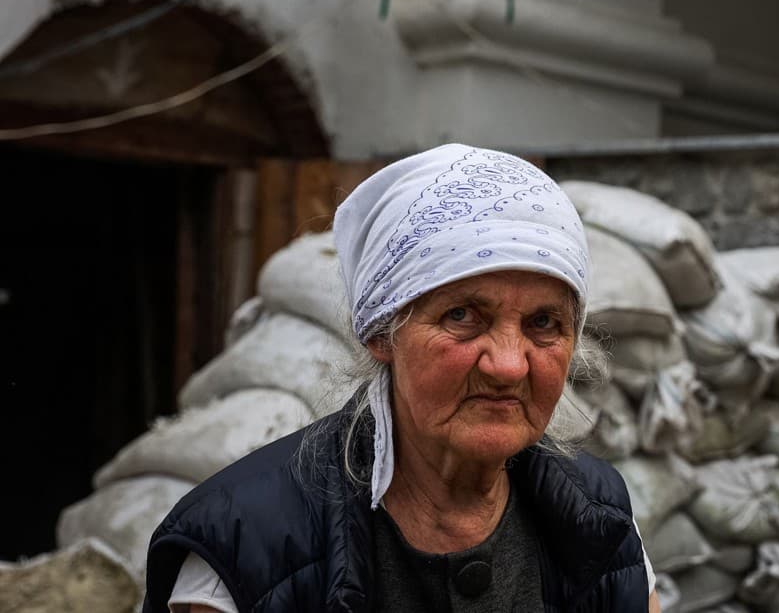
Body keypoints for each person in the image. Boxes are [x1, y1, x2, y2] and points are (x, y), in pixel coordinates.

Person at [142, 144, 660, 612]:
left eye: (543, 324)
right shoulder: (244, 543)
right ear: (381, 333)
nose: (508, 364)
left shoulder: (600, 518)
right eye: (462, 316)